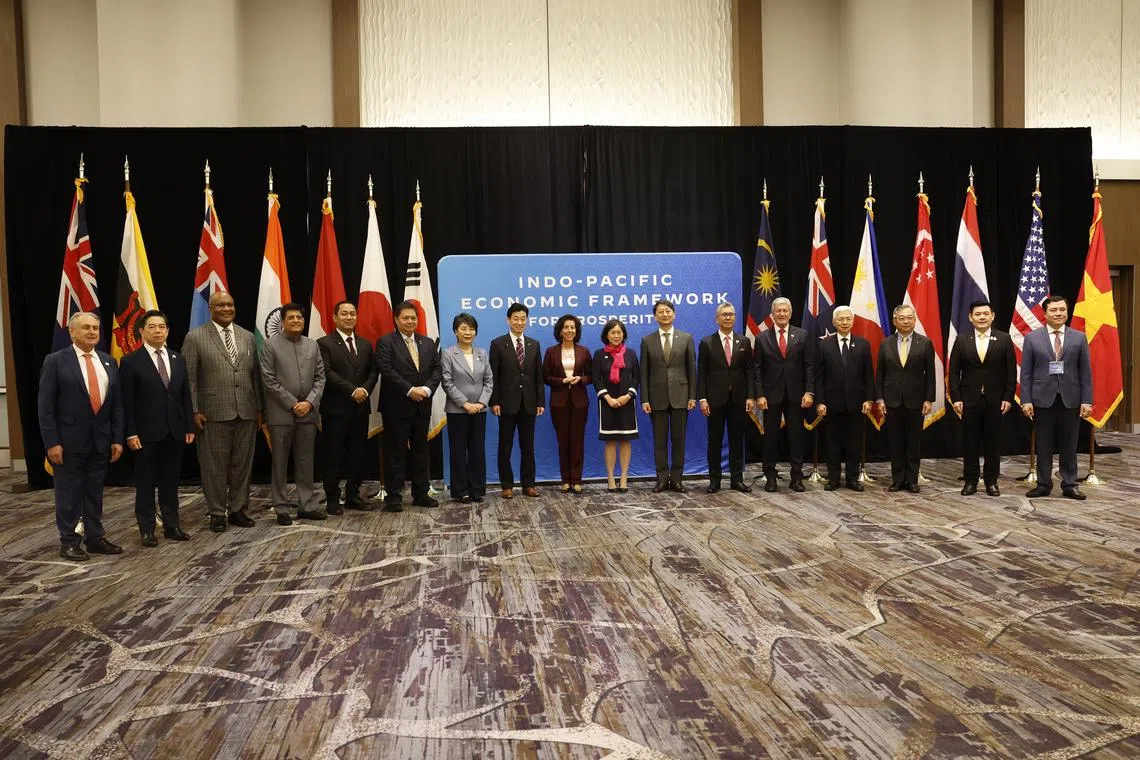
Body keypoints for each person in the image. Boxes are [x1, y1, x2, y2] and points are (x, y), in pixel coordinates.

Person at [38, 312, 124, 561]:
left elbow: (116, 406)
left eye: (95, 328)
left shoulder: (108, 361)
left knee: (94, 492)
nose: (91, 332)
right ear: (71, 331)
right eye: (85, 327)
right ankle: (69, 541)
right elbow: (45, 407)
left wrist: (117, 438)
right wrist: (52, 442)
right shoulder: (56, 361)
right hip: (67, 443)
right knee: (68, 494)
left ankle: (95, 538)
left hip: (101, 441)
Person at [181, 291, 262, 532]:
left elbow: (255, 376)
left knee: (242, 465)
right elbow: (189, 379)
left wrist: (259, 408)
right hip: (212, 413)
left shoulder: (247, 337)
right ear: (211, 309)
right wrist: (193, 410)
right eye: (220, 305)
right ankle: (217, 512)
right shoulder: (195, 337)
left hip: (246, 411)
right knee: (213, 466)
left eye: (230, 304)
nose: (226, 309)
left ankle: (238, 510)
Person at [120, 310, 195, 546]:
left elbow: (185, 396)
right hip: (145, 434)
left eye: (162, 327)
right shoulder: (131, 361)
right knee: (145, 484)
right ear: (142, 331)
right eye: (152, 327)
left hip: (174, 431)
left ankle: (172, 526)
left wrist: (189, 426)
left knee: (170, 482)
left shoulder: (177, 358)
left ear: (168, 331)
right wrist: (130, 432)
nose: (157, 331)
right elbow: (126, 401)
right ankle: (147, 529)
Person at [1021, 295, 1093, 500]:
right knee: (1043, 445)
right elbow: (1026, 373)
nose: (1058, 313)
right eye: (1053, 310)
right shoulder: (1032, 338)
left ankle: (1069, 484)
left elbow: (1085, 372)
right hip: (1042, 399)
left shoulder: (1079, 338)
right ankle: (1043, 484)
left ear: (1067, 312)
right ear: (1045, 314)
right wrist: (1026, 400)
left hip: (1071, 399)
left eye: (1062, 309)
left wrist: (1087, 400)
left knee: (1069, 444)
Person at [260, 303, 326, 525]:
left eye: (299, 317)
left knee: (306, 462)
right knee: (280, 463)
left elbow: (320, 377)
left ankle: (307, 505)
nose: (296, 321)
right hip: (281, 414)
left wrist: (309, 402)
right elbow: (268, 379)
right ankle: (281, 508)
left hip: (308, 414)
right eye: (291, 317)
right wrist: (292, 403)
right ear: (283, 321)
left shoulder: (312, 345)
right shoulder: (270, 345)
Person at [376, 300, 442, 511]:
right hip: (396, 406)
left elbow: (437, 369)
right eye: (406, 318)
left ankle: (421, 494)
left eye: (413, 317)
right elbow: (386, 370)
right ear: (396, 319)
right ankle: (394, 497)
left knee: (421, 452)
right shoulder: (386, 342)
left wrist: (427, 389)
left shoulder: (427, 342)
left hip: (422, 405)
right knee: (395, 453)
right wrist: (410, 390)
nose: (410, 321)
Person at [948, 299, 1016, 496]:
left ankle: (991, 482)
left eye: (986, 314)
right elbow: (954, 372)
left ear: (992, 316)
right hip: (969, 400)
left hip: (996, 400)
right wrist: (956, 397)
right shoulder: (962, 340)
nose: (982, 317)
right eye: (978, 314)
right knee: (970, 443)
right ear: (971, 317)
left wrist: (1008, 397)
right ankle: (970, 481)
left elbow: (1011, 372)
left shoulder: (1004, 339)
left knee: (992, 443)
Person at [317, 300, 378, 513]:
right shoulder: (324, 343)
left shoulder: (365, 344)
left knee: (357, 454)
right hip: (336, 409)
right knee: (333, 455)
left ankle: (353, 495)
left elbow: (373, 371)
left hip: (360, 408)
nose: (349, 317)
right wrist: (352, 391)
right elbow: (327, 372)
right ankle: (333, 499)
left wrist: (365, 390)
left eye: (352, 313)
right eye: (344, 314)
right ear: (335, 317)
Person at [753, 297, 815, 493]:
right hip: (770, 396)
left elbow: (809, 365)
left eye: (784, 311)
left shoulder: (803, 335)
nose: (781, 314)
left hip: (797, 395)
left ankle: (796, 477)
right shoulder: (762, 337)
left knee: (796, 437)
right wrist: (759, 394)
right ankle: (770, 477)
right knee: (770, 438)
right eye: (778, 311)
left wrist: (809, 391)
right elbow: (757, 369)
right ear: (772, 314)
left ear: (790, 313)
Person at [876, 304, 935, 493]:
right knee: (895, 442)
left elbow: (931, 374)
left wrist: (929, 399)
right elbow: (880, 374)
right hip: (891, 400)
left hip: (916, 400)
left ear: (915, 320)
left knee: (913, 442)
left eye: (910, 317)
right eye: (902, 318)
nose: (906, 321)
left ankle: (912, 480)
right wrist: (880, 398)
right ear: (895, 321)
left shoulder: (925, 343)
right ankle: (897, 480)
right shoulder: (886, 343)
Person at [814, 305, 873, 491]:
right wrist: (820, 401)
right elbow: (819, 376)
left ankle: (852, 479)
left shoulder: (863, 344)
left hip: (856, 403)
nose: (845, 322)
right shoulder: (823, 345)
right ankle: (833, 479)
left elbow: (868, 375)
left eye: (848, 319)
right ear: (834, 322)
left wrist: (869, 399)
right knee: (832, 443)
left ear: (853, 321)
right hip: (831, 403)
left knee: (854, 443)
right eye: (841, 319)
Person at [697, 302, 755, 493]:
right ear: (717, 318)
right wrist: (702, 398)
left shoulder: (744, 341)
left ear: (735, 318)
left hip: (739, 399)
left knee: (737, 441)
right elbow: (702, 373)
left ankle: (737, 480)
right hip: (714, 400)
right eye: (724, 314)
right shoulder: (707, 342)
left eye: (731, 314)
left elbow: (749, 371)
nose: (728, 317)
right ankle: (715, 481)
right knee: (715, 441)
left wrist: (750, 396)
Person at [639, 300, 696, 493]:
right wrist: (645, 399)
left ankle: (677, 479)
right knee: (659, 441)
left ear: (674, 314)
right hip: (656, 397)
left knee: (679, 440)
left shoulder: (686, 338)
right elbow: (644, 372)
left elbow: (692, 369)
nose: (665, 314)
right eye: (660, 312)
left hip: (681, 396)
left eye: (668, 311)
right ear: (655, 316)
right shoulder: (647, 340)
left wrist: (692, 396)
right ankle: (662, 479)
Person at [489, 303, 544, 498]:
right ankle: (507, 485)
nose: (520, 322)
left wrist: (540, 402)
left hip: (529, 403)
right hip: (506, 404)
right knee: (505, 446)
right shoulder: (498, 344)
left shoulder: (534, 344)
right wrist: (494, 401)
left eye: (523, 319)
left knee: (528, 446)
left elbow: (538, 376)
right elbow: (494, 376)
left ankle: (529, 484)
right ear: (508, 320)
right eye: (516, 319)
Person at [441, 313, 494, 502]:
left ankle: (477, 489)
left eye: (471, 329)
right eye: (463, 328)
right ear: (456, 331)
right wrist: (465, 403)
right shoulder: (448, 354)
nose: (468, 332)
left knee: (477, 451)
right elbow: (447, 382)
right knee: (458, 450)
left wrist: (481, 403)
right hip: (457, 410)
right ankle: (460, 490)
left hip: (479, 410)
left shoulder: (482, 353)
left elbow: (489, 380)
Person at [543, 314, 592, 493]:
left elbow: (591, 376)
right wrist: (561, 381)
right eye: (566, 327)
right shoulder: (551, 352)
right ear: (560, 331)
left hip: (579, 402)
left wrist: (581, 379)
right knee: (562, 441)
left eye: (573, 327)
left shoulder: (584, 351)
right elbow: (545, 377)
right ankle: (565, 480)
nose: (569, 330)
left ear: (576, 331)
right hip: (559, 402)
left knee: (577, 441)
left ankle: (577, 480)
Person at [592, 319, 640, 492]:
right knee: (610, 440)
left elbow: (636, 377)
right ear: (606, 335)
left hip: (627, 402)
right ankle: (611, 478)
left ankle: (624, 477)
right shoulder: (599, 354)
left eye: (619, 332)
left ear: (623, 334)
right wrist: (607, 398)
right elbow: (595, 378)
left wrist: (628, 396)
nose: (616, 335)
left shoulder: (631, 354)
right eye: (613, 332)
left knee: (625, 440)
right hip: (607, 403)